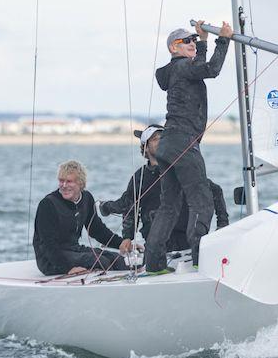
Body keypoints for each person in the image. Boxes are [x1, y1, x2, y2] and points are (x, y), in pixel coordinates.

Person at [143, 20, 232, 273]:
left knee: (169, 206)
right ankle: (199, 259)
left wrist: (203, 42)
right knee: (201, 201)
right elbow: (212, 69)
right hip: (183, 142)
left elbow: (200, 68)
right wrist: (222, 40)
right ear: (174, 47)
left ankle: (154, 263)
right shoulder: (182, 67)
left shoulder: (177, 69)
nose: (192, 43)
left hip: (168, 144)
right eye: (187, 41)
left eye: (194, 40)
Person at [100, 124, 229, 250]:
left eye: (163, 138)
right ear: (145, 148)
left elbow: (215, 191)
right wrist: (127, 237)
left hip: (187, 240)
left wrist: (222, 225)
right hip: (158, 245)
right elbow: (130, 205)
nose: (160, 141)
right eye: (155, 139)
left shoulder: (182, 169)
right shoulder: (140, 177)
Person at [33, 160, 134, 276]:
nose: (64, 185)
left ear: (80, 183)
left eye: (69, 181)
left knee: (120, 261)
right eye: (61, 181)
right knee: (101, 262)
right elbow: (47, 244)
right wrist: (67, 268)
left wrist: (121, 243)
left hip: (74, 250)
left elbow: (97, 230)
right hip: (50, 259)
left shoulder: (86, 198)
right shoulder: (48, 204)